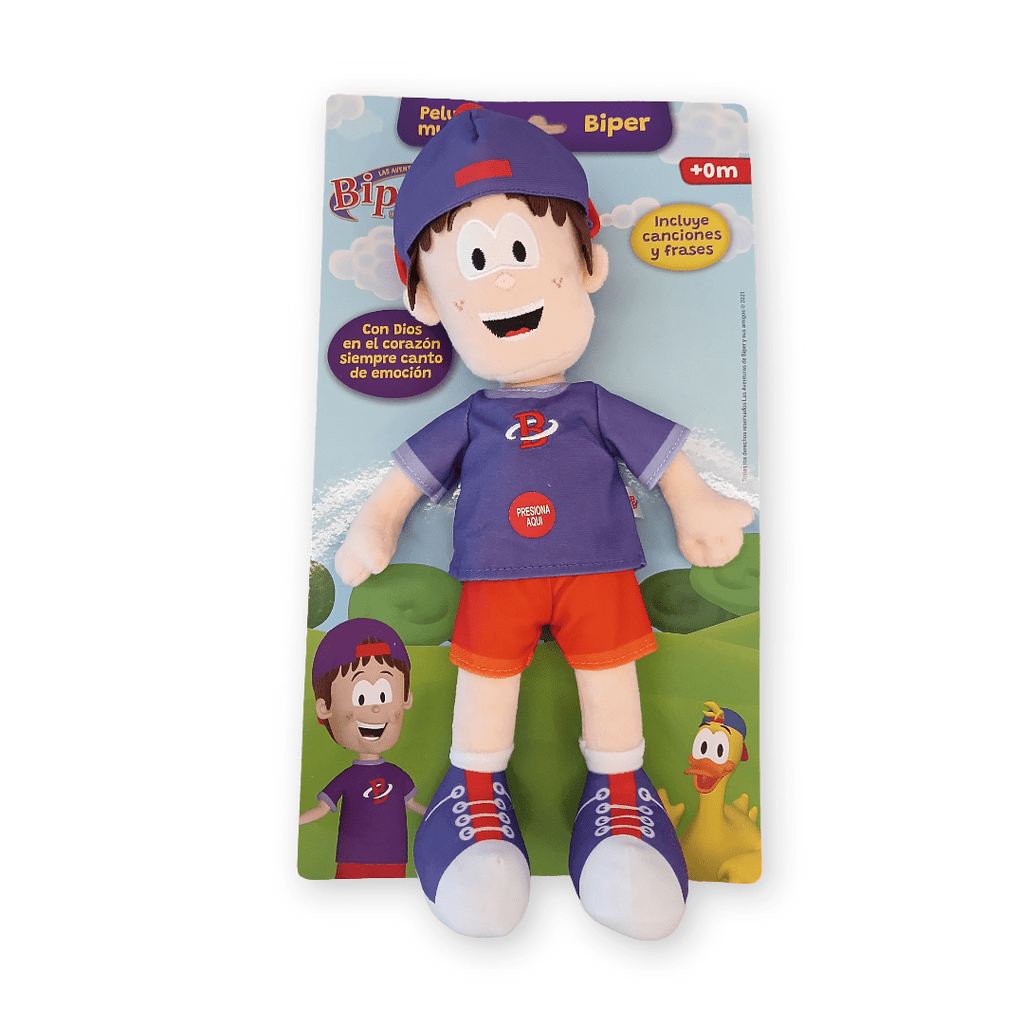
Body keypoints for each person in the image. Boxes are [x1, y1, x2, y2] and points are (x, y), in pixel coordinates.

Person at [335, 105, 753, 937]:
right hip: (496, 578)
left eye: (522, 253)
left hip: (598, 571)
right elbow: (403, 484)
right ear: (429, 300)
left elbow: (665, 462)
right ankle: (473, 794)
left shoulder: (595, 406)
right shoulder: (472, 419)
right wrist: (375, 524)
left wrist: (697, 505)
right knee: (486, 688)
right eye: (475, 263)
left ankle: (622, 800)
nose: (502, 285)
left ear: (588, 262)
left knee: (611, 683)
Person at [299, 618, 425, 878]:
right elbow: (322, 809)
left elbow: (413, 804)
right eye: (362, 697)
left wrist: (440, 815)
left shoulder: (397, 776)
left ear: (406, 698)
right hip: (352, 859)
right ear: (324, 707)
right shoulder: (348, 779)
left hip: (393, 859)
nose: (375, 708)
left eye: (384, 695)